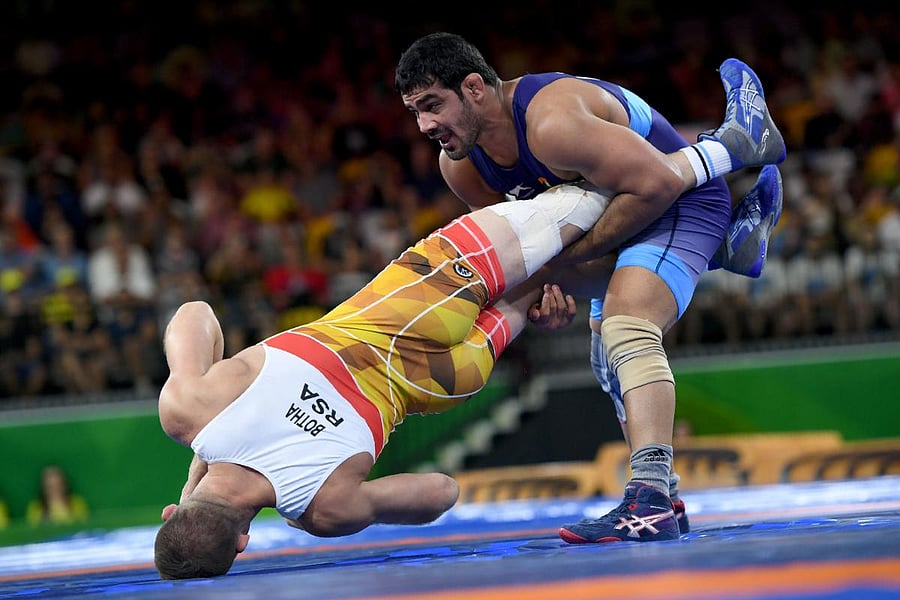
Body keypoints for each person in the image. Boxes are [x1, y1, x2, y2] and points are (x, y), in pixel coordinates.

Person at [394, 32, 786, 543]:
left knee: (627, 327)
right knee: (607, 359)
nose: (424, 126)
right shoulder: (459, 165)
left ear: (473, 88)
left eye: (431, 106)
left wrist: (563, 265)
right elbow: (526, 249)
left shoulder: (550, 121)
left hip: (679, 201)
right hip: (617, 215)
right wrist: (546, 293)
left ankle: (648, 499)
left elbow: (658, 185)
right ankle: (662, 495)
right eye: (415, 112)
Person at [154, 182, 616, 579]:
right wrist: (204, 443)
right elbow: (195, 312)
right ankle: (689, 163)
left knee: (562, 270)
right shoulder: (190, 408)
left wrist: (308, 515)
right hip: (416, 305)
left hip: (445, 380)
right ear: (172, 511)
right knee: (593, 195)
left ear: (242, 542)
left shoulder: (325, 508)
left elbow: (443, 492)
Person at [26, 464, 90, 526]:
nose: (55, 491)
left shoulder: (77, 503)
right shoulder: (35, 507)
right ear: (43, 488)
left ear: (65, 485)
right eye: (50, 487)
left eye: (58, 485)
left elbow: (84, 526)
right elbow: (34, 531)